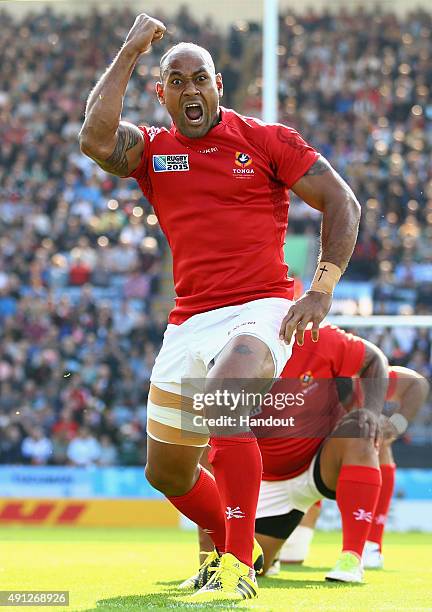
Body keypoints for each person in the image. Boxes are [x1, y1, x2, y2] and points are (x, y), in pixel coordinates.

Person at [79, 14, 361, 601]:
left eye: (199, 78)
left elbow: (340, 200)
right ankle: (237, 541)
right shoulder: (157, 153)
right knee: (167, 472)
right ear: (162, 94)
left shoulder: (265, 140)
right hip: (188, 320)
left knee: (229, 401)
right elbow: (95, 141)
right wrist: (131, 47)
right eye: (176, 81)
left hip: (260, 307)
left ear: (218, 84)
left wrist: (322, 287)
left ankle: (234, 566)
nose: (190, 90)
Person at [196, 325, 389, 584]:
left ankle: (353, 556)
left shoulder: (317, 338)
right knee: (256, 566)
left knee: (361, 428)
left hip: (315, 466)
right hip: (261, 482)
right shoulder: (230, 348)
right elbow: (209, 448)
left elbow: (374, 358)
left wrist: (373, 411)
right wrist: (207, 550)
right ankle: (248, 557)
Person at [277, 363, 430, 571]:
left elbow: (417, 384)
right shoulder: (294, 388)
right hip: (304, 461)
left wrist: (397, 425)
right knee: (289, 557)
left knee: (375, 436)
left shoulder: (366, 378)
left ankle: (371, 546)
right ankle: (288, 534)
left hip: (341, 454)